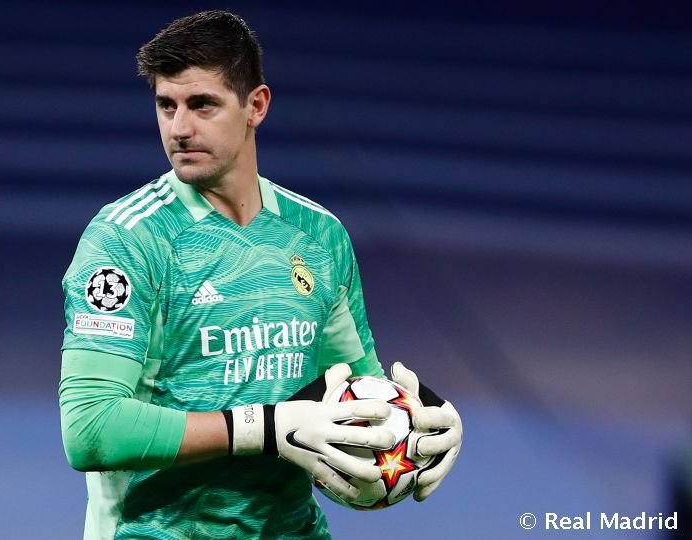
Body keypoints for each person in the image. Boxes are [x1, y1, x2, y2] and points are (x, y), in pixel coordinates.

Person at [59, 10, 463, 539]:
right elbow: (90, 428)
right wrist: (266, 428)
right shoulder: (127, 240)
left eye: (202, 104)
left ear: (256, 106)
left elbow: (355, 401)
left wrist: (416, 427)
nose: (179, 129)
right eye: (166, 106)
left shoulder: (318, 236)